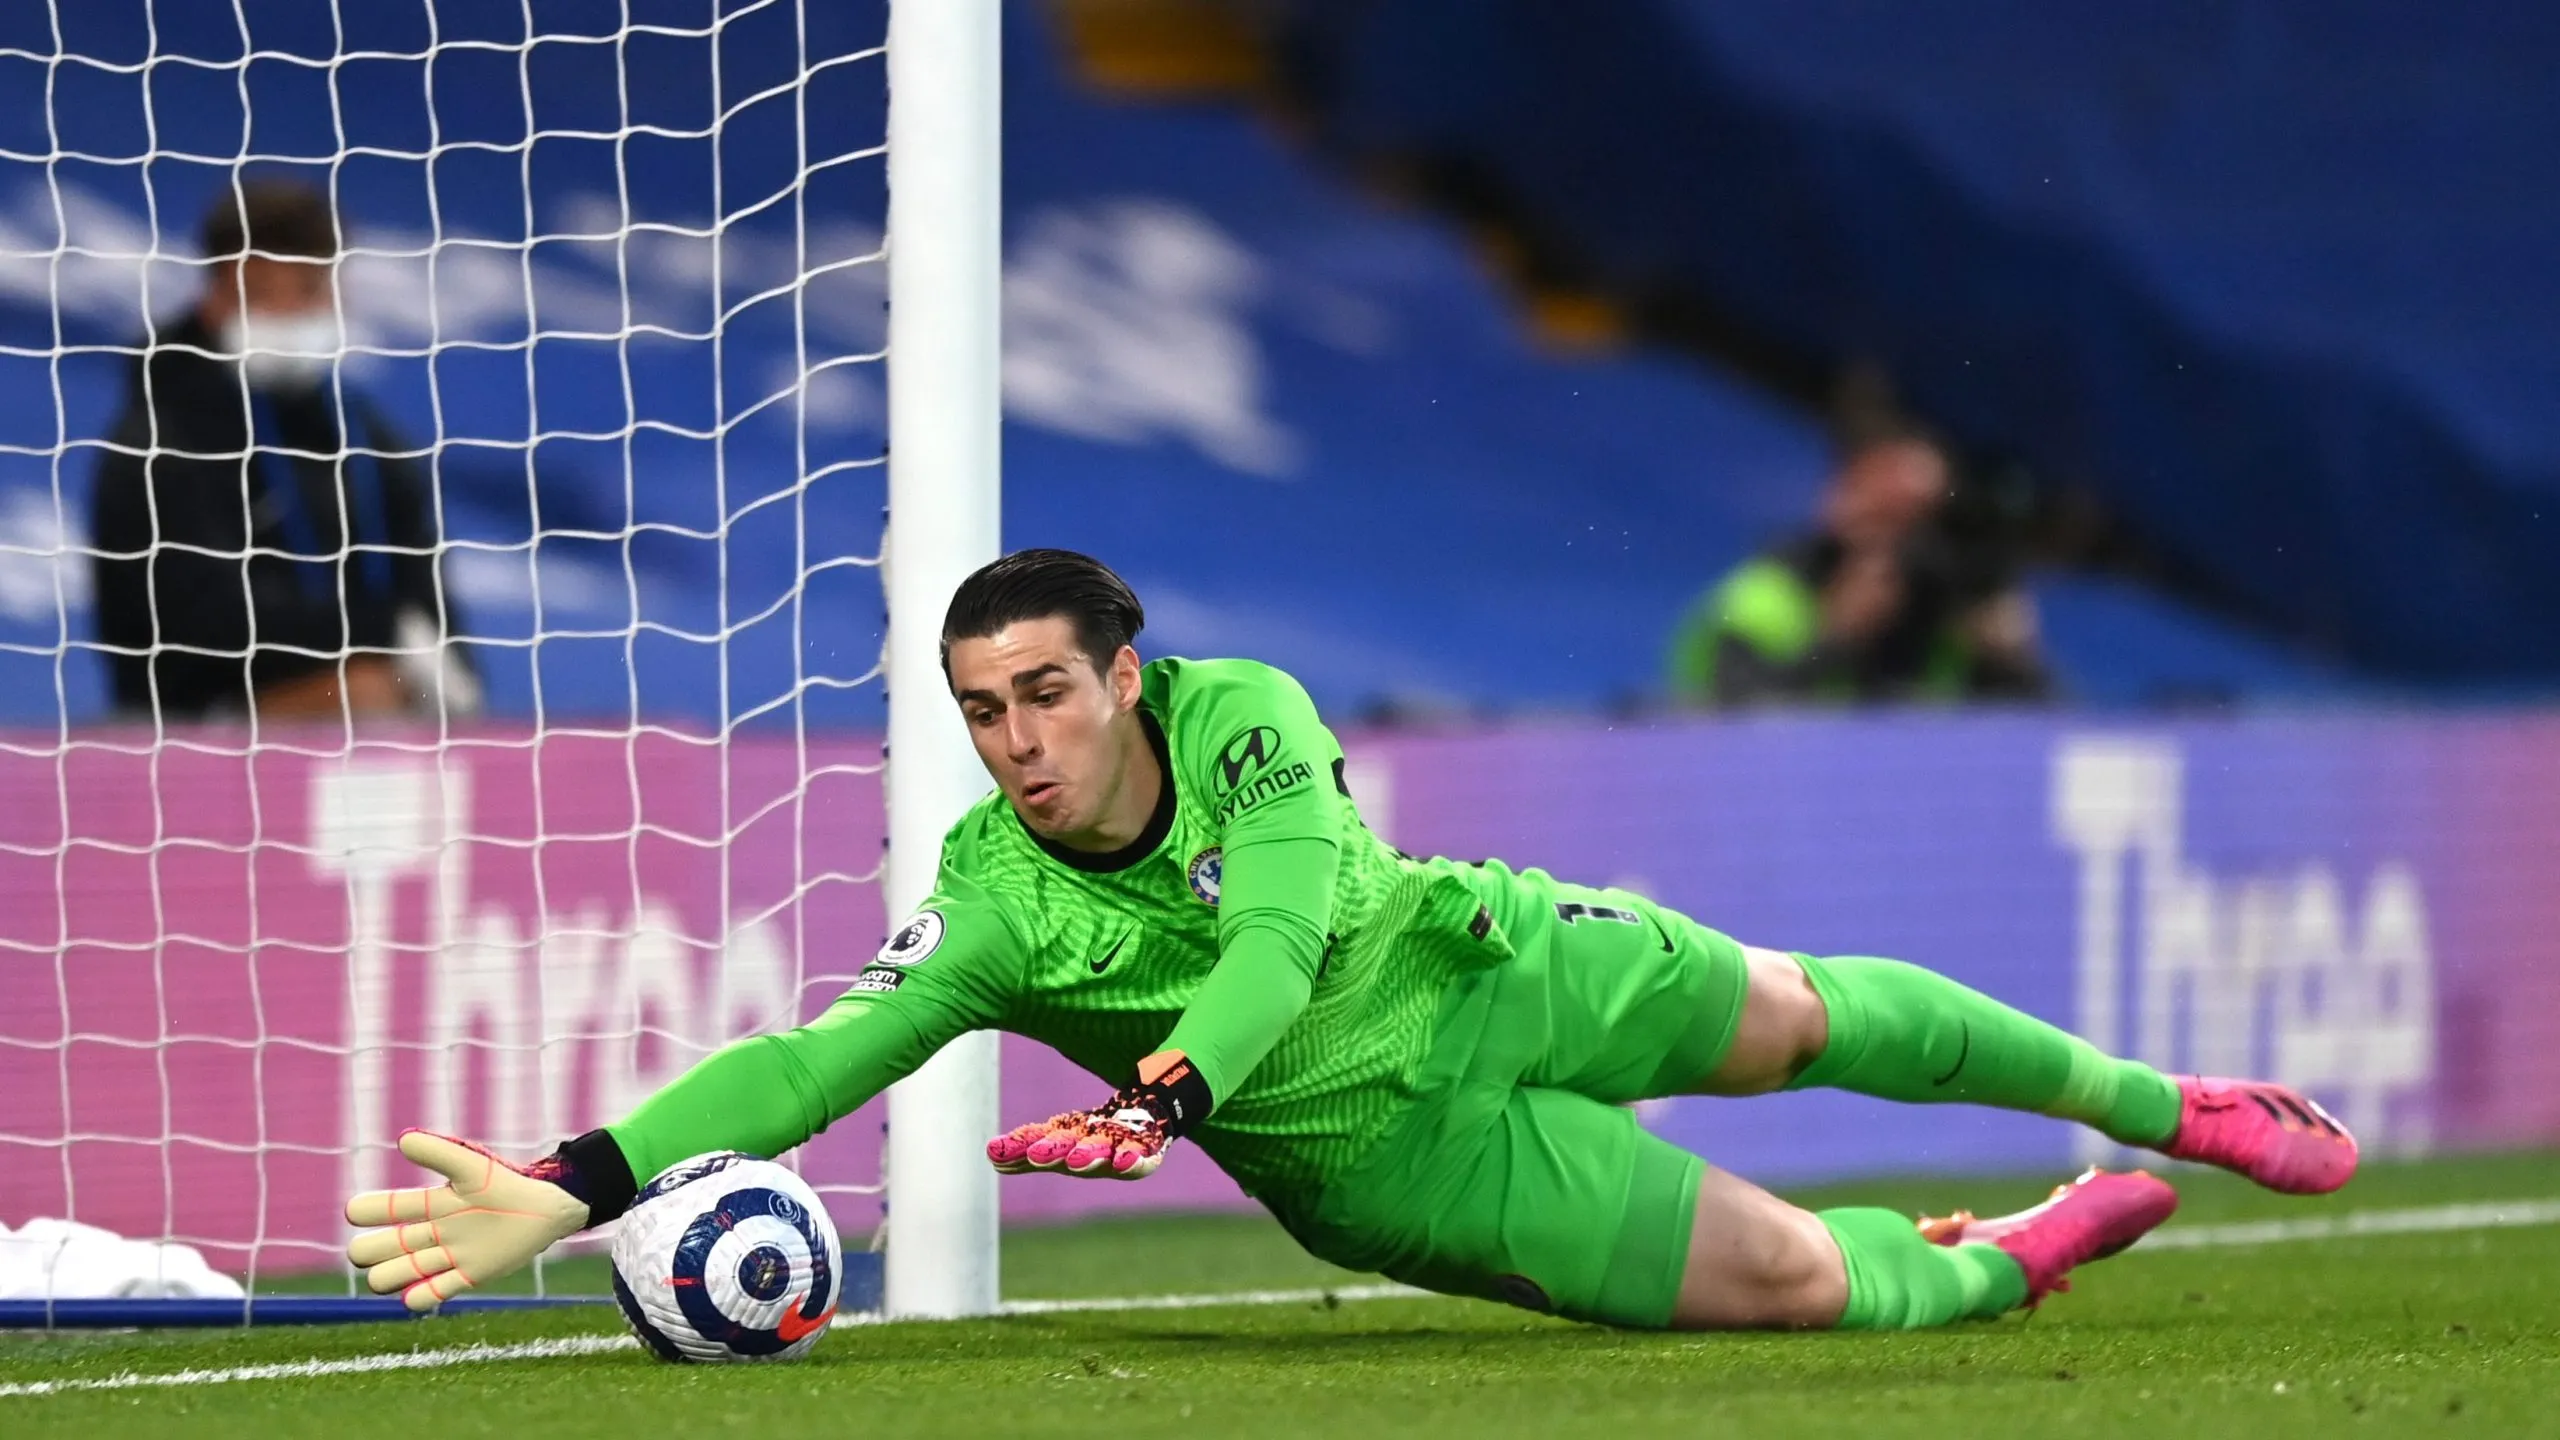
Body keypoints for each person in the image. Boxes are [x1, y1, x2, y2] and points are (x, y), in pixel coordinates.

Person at [345, 549, 2354, 1332]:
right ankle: (1996, 1264)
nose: (1016, 743)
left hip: (1485, 955)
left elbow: (1286, 930)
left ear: (1124, 678)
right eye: (981, 711)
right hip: (1394, 1161)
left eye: (1043, 694)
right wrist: (563, 1187)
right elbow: (801, 1068)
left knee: (1799, 1010)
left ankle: (2166, 1100)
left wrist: (1172, 1085)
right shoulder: (991, 903)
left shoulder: (1247, 719)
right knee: (1799, 1283)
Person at [87, 177, 476, 721]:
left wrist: (445, 666)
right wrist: (382, 628)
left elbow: (429, 604)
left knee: (436, 705)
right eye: (280, 294)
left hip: (365, 692)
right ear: (222, 295)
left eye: (319, 290)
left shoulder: (367, 439)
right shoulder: (159, 439)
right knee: (366, 691)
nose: (311, 311)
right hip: (189, 726)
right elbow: (206, 624)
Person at [1667, 433, 2047, 707]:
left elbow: (2059, 756)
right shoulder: (1758, 602)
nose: (1901, 545)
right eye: (1887, 515)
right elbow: (1731, 732)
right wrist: (1837, 641)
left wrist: (2015, 666)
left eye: (1920, 523)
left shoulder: (1948, 622)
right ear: (1839, 501)